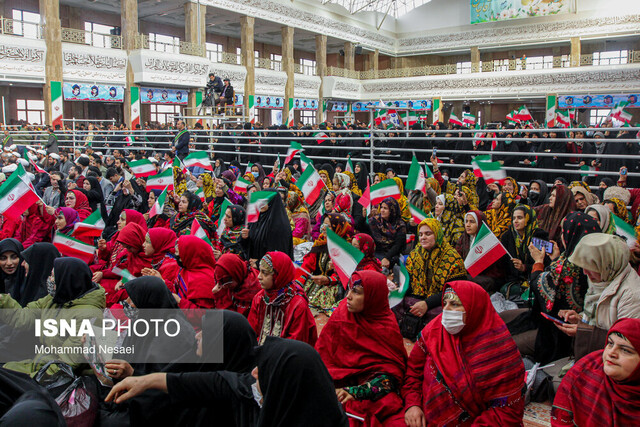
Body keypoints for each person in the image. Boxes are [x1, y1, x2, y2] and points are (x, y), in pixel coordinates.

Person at [105, 337, 348, 427]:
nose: (252, 373)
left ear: (285, 387)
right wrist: (145, 381)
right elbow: (214, 382)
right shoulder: (258, 393)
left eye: (263, 372)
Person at [402, 281, 525, 427]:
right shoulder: (435, 330)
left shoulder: (499, 350)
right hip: (425, 419)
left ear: (475, 308)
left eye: (455, 305)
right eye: (445, 303)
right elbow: (413, 371)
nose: (446, 310)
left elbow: (507, 412)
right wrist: (412, 404)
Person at [316, 271, 407, 426]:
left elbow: (392, 375)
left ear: (373, 297)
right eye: (349, 290)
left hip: (369, 387)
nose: (348, 296)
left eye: (356, 292)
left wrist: (356, 392)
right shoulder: (342, 313)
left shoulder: (385, 326)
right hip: (336, 380)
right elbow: (322, 357)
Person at [0, 258, 106, 376]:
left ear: (66, 280)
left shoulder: (88, 315)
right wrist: (3, 301)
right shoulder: (56, 298)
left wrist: (31, 379)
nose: (49, 280)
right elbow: (24, 318)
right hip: (41, 362)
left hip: (57, 376)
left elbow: (66, 365)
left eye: (52, 276)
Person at [551, 318, 640, 427]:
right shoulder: (586, 370)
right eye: (610, 343)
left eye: (625, 350)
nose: (611, 353)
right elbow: (561, 418)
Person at [394, 218, 466, 339]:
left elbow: (453, 291)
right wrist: (398, 290)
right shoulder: (415, 254)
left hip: (441, 302)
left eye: (428, 234)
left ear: (437, 234)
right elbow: (409, 284)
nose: (423, 237)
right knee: (394, 303)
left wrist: (427, 304)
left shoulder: (452, 258)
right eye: (421, 234)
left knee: (446, 315)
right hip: (418, 298)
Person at [247, 251, 317, 345]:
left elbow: (296, 342)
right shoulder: (260, 298)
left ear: (278, 276)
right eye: (260, 271)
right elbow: (251, 332)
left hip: (285, 356)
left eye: (265, 273)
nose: (259, 277)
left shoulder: (297, 305)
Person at [297, 213, 351, 314]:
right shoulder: (321, 242)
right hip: (317, 280)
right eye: (323, 225)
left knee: (317, 302)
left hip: (332, 285)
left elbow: (344, 275)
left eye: (328, 226)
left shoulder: (344, 248)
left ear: (337, 228)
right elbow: (308, 264)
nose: (323, 229)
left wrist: (327, 280)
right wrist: (300, 281)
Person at [241, 190, 293, 262]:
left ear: (272, 202)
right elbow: (249, 246)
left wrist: (258, 263)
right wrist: (244, 238)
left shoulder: (280, 225)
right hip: (253, 268)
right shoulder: (256, 220)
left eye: (265, 200)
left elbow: (279, 256)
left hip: (268, 270)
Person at [174, 235, 217, 314]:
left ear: (190, 254)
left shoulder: (204, 280)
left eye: (180, 255)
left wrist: (180, 302)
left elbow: (204, 316)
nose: (178, 259)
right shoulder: (186, 270)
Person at [368, 197, 406, 270]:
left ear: (392, 210)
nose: (382, 210)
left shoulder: (400, 225)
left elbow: (398, 245)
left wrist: (387, 258)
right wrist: (363, 217)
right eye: (381, 207)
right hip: (377, 252)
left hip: (392, 254)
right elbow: (363, 230)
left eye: (385, 208)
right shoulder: (374, 221)